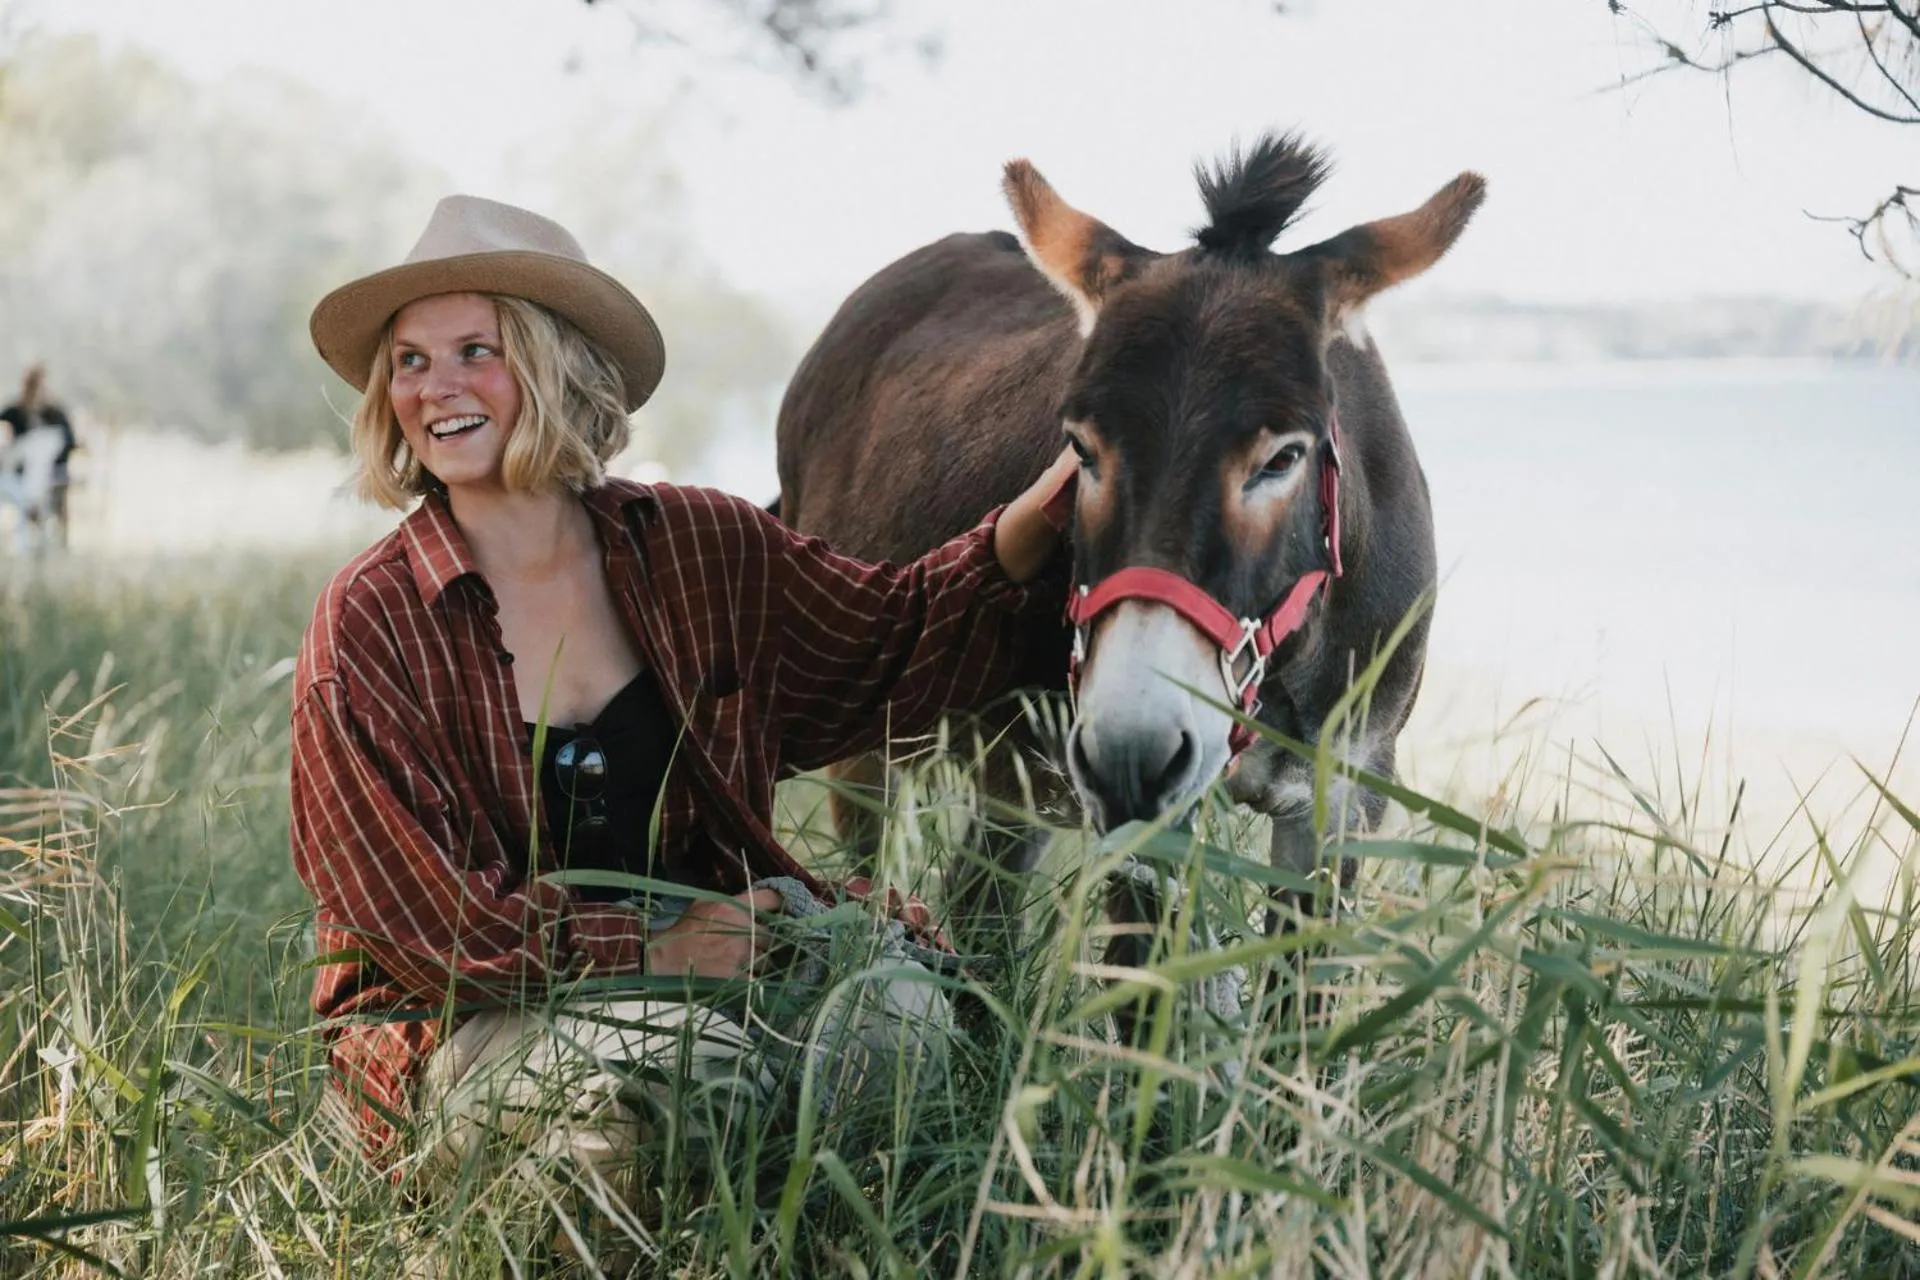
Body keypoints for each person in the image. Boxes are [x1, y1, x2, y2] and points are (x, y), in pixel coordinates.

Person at [291, 195, 1075, 1252]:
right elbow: (422, 928)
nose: (436, 388)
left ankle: (815, 1248)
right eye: (410, 362)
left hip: (710, 954)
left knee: (899, 1019)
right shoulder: (370, 622)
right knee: (679, 1074)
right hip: (467, 1016)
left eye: (476, 350)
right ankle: (528, 1238)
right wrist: (659, 946)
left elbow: (892, 631)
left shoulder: (698, 544)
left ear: (556, 364)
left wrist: (1048, 505)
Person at [1, 365, 81, 545]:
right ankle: (30, 531)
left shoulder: (55, 413)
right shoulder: (15, 411)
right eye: (33, 385)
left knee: (53, 495)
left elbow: (68, 442)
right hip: (19, 472)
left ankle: (57, 540)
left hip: (52, 471)